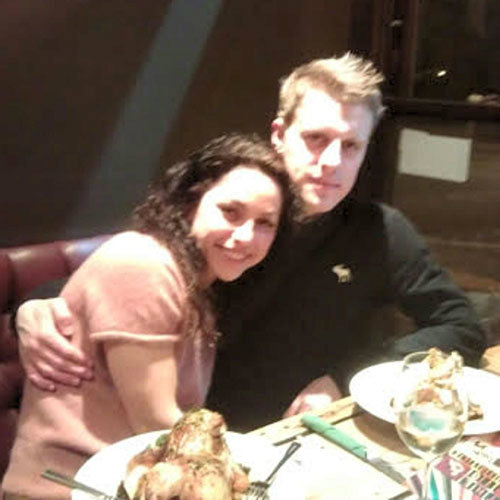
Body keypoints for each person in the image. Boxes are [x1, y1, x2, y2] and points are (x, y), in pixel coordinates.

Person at [14, 53, 486, 432]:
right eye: (316, 138)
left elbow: (461, 327)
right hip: (198, 435)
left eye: (350, 146)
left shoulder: (380, 231)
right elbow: (121, 275)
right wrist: (33, 309)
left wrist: (347, 377)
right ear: (280, 134)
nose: (331, 162)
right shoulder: (226, 218)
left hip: (317, 437)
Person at [1, 133, 298, 499]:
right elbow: (155, 423)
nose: (246, 237)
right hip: (63, 488)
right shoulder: (145, 265)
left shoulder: (202, 281)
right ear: (190, 203)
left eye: (265, 223)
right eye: (230, 212)